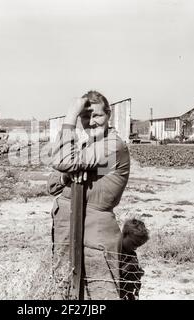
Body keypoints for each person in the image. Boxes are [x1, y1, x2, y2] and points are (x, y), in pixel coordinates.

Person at [47, 90, 131, 299]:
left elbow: (64, 162)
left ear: (109, 115)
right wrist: (67, 178)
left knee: (100, 295)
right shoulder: (84, 147)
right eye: (85, 116)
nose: (91, 122)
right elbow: (51, 185)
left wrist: (69, 118)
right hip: (67, 231)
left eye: (97, 116)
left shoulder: (113, 146)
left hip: (95, 233)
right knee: (62, 291)